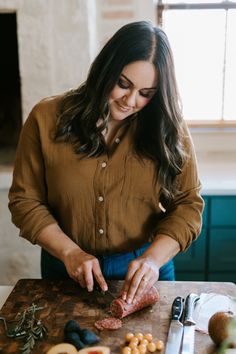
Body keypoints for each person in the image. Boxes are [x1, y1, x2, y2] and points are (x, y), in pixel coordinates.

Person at [8, 21, 204, 305]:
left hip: (144, 269)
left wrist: (152, 260)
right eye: (123, 84)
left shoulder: (169, 127)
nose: (130, 100)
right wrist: (69, 252)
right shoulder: (45, 117)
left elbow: (188, 204)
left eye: (146, 93)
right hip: (65, 267)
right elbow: (25, 200)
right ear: (105, 69)